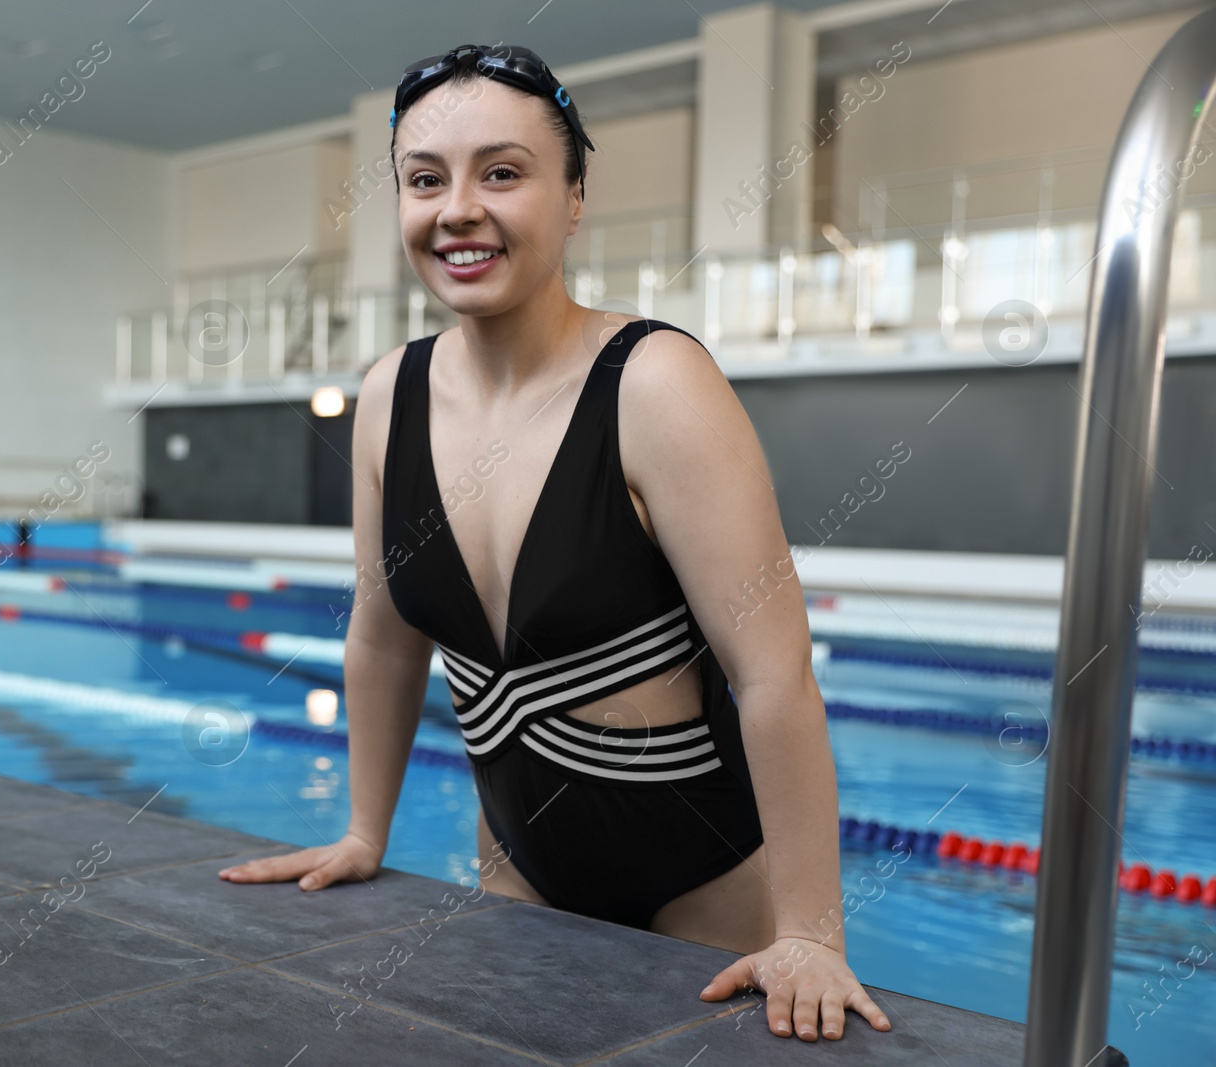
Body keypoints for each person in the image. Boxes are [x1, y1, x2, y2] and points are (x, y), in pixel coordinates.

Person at [218, 43, 890, 1044]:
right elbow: (382, 639)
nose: (457, 210)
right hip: (519, 870)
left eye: (502, 172)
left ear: (573, 195)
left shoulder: (655, 382)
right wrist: (366, 829)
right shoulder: (386, 395)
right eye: (423, 180)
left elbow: (772, 673)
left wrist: (808, 931)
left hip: (704, 882)